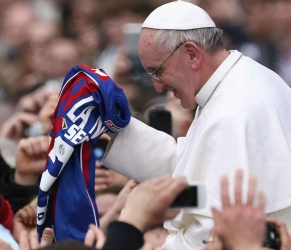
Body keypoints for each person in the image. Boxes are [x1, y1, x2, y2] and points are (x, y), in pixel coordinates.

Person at [102, 1, 291, 249]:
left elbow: (208, 234)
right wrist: (111, 129)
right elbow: (191, 167)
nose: (157, 86)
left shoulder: (235, 109)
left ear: (192, 54)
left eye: (158, 71)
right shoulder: (238, 79)